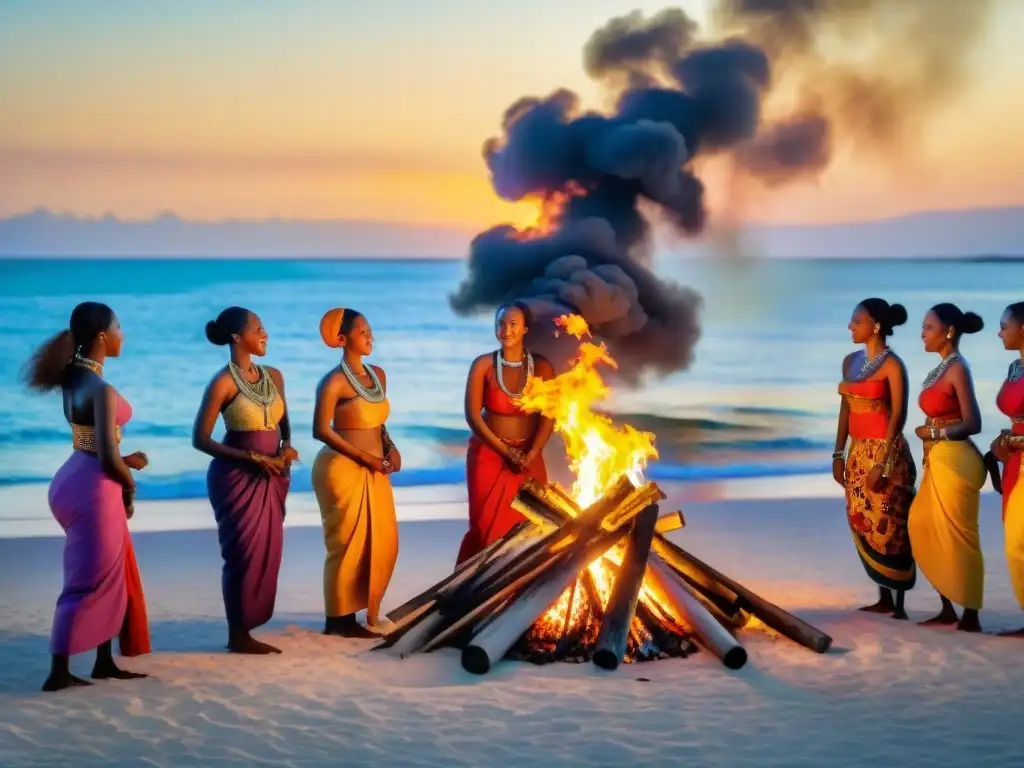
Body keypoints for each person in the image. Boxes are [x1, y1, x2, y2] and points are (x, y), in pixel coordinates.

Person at [23, 302, 151, 692]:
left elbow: (91, 441)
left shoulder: (73, 378)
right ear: (102, 336)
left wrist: (123, 460)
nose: (122, 335)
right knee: (87, 580)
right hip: (94, 488)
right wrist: (129, 485)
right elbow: (109, 457)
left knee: (105, 572)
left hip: (74, 476)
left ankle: (103, 661)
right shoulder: (101, 388)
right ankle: (58, 672)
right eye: (118, 327)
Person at [192, 307, 296, 655]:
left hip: (272, 475)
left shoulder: (275, 376)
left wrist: (285, 449)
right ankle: (238, 634)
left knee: (269, 551)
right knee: (242, 555)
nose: (265, 334)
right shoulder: (223, 382)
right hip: (236, 477)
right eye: (258, 328)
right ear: (237, 337)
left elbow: (284, 424)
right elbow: (201, 439)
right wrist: (253, 458)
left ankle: (250, 623)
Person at [312, 308, 399, 638]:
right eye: (362, 332)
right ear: (342, 339)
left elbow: (379, 422)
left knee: (382, 541)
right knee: (345, 544)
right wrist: (365, 458)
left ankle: (358, 609)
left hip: (376, 468)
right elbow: (321, 430)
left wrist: (389, 448)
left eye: (370, 330)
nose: (369, 336)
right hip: (341, 468)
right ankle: (338, 620)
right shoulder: (333, 381)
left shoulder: (378, 374)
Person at [834, 298, 917, 619]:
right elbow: (845, 408)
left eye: (857, 321)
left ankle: (899, 604)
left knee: (891, 525)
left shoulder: (893, 365)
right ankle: (882, 597)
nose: (851, 327)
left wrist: (883, 462)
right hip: (857, 452)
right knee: (863, 523)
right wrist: (838, 452)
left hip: (886, 453)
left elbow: (899, 415)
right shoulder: (849, 362)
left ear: (876, 326)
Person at [907, 303, 986, 632]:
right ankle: (948, 608)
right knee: (922, 525)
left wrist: (934, 432)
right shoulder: (941, 368)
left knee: (959, 536)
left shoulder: (957, 368)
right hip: (937, 459)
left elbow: (973, 422)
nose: (922, 333)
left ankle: (970, 615)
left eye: (928, 326)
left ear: (948, 331)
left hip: (956, 460)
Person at [457, 302, 555, 565]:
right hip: (488, 455)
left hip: (528, 457)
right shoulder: (483, 365)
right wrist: (505, 451)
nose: (506, 330)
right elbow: (473, 416)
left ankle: (520, 592)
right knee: (486, 528)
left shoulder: (542, 367)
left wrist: (531, 453)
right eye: (500, 323)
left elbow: (549, 415)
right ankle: (479, 591)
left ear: (525, 329)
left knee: (532, 525)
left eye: (513, 324)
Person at [990, 302, 1024, 636]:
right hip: (1014, 462)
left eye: (1004, 326)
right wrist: (1004, 440)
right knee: (1014, 541)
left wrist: (1017, 441)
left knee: (1019, 541)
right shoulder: (1015, 367)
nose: (1000, 332)